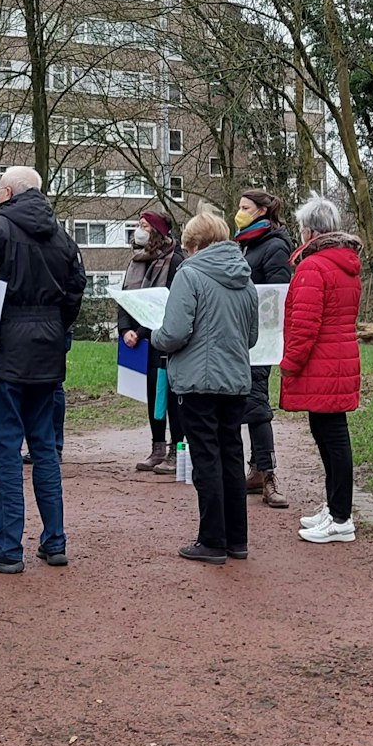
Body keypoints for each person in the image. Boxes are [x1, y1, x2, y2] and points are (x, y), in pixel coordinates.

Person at [0, 166, 87, 573]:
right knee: (44, 448)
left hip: (3, 352)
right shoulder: (61, 236)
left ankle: (7, 546)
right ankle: (55, 540)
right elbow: (76, 288)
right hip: (46, 353)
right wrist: (55, 328)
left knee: (6, 451)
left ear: (8, 192)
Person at [156, 209, 259, 564]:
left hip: (197, 382)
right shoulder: (245, 279)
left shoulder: (190, 274)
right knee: (231, 455)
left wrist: (156, 336)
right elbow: (252, 337)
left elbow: (174, 333)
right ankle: (237, 539)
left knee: (206, 459)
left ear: (195, 245)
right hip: (235, 381)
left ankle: (212, 539)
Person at [279, 195, 365, 544]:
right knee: (328, 433)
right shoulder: (344, 264)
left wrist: (290, 363)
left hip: (322, 362)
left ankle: (341, 517)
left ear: (311, 231)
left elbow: (304, 324)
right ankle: (334, 507)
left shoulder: (313, 267)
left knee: (332, 437)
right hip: (339, 359)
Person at [234, 189, 294, 509]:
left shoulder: (274, 246)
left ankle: (269, 474)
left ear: (261, 211)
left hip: (261, 338)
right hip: (239, 336)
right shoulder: (244, 244)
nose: (239, 212)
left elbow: (279, 295)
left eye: (245, 207)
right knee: (244, 401)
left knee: (257, 404)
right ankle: (256, 469)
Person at [118, 209, 184, 473]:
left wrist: (142, 331)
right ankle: (157, 447)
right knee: (151, 392)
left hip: (163, 338)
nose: (139, 230)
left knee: (170, 395)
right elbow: (125, 298)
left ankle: (176, 449)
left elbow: (168, 301)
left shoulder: (175, 261)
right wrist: (125, 329)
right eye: (138, 224)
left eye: (144, 226)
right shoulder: (135, 261)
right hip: (140, 342)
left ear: (158, 231)